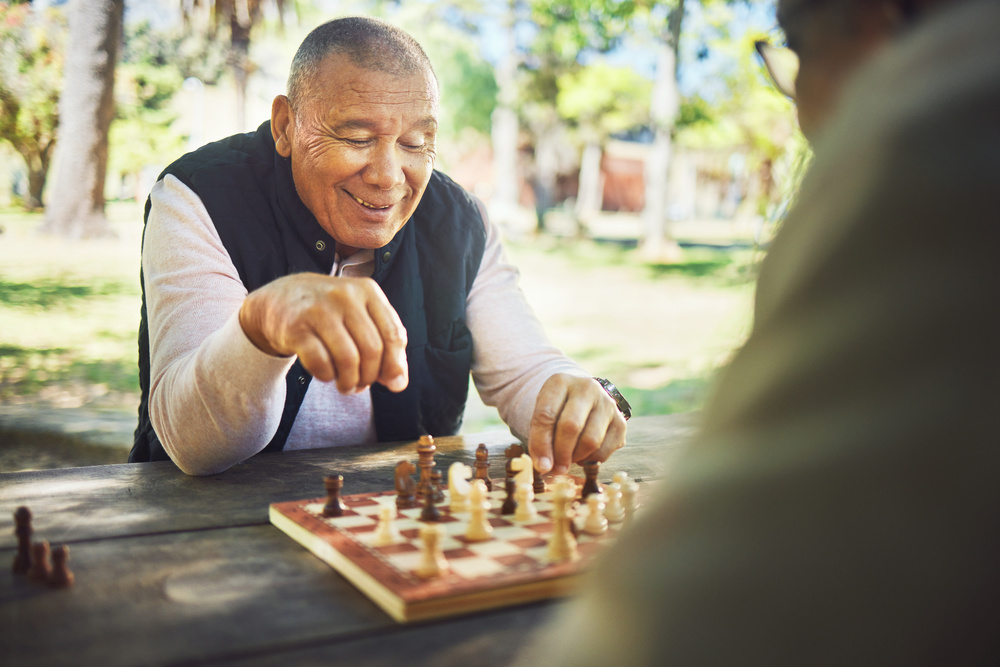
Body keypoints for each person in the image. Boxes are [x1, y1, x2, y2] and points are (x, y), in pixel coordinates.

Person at [524, 0, 1000, 663]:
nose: (801, 111)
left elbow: (684, 621)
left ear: (873, 21)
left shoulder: (937, 136)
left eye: (798, 50)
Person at [130, 17, 630, 476]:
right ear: (286, 126)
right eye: (356, 137)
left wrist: (572, 396)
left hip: (402, 535)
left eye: (415, 144)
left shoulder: (460, 222)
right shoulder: (200, 197)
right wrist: (261, 326)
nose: (390, 177)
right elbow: (193, 445)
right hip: (203, 535)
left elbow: (526, 371)